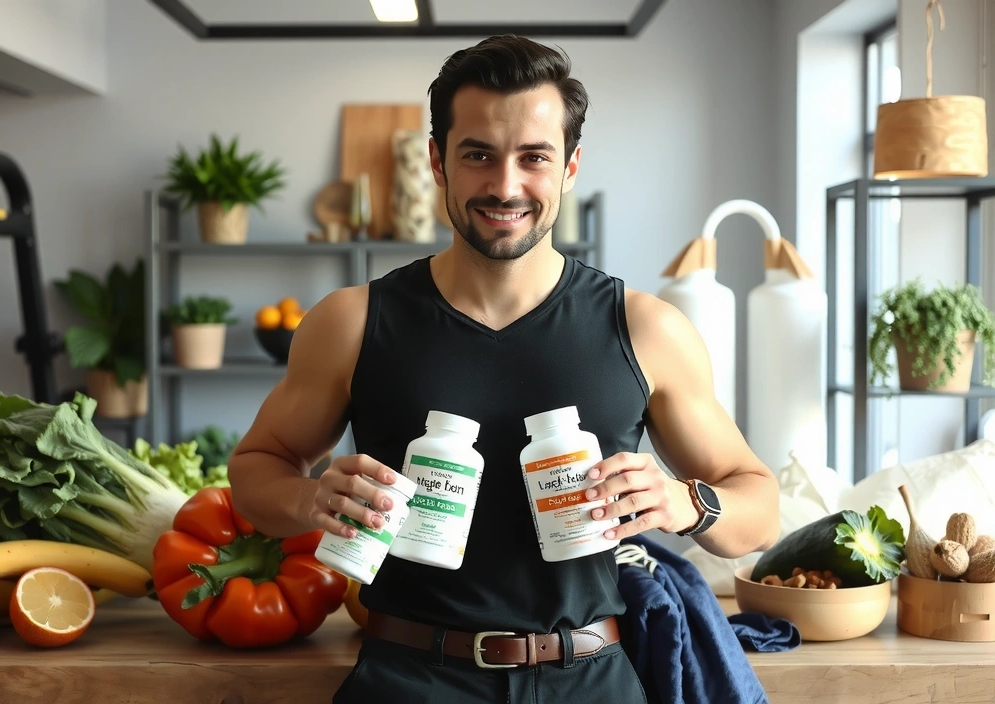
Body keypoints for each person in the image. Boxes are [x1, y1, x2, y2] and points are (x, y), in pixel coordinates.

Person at [229, 34, 780, 704]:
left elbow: (759, 506)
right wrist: (307, 498)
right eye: (479, 155)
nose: (505, 185)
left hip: (592, 678)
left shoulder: (646, 329)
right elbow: (257, 466)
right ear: (438, 161)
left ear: (571, 166)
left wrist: (684, 500)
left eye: (534, 158)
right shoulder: (351, 322)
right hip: (408, 678)